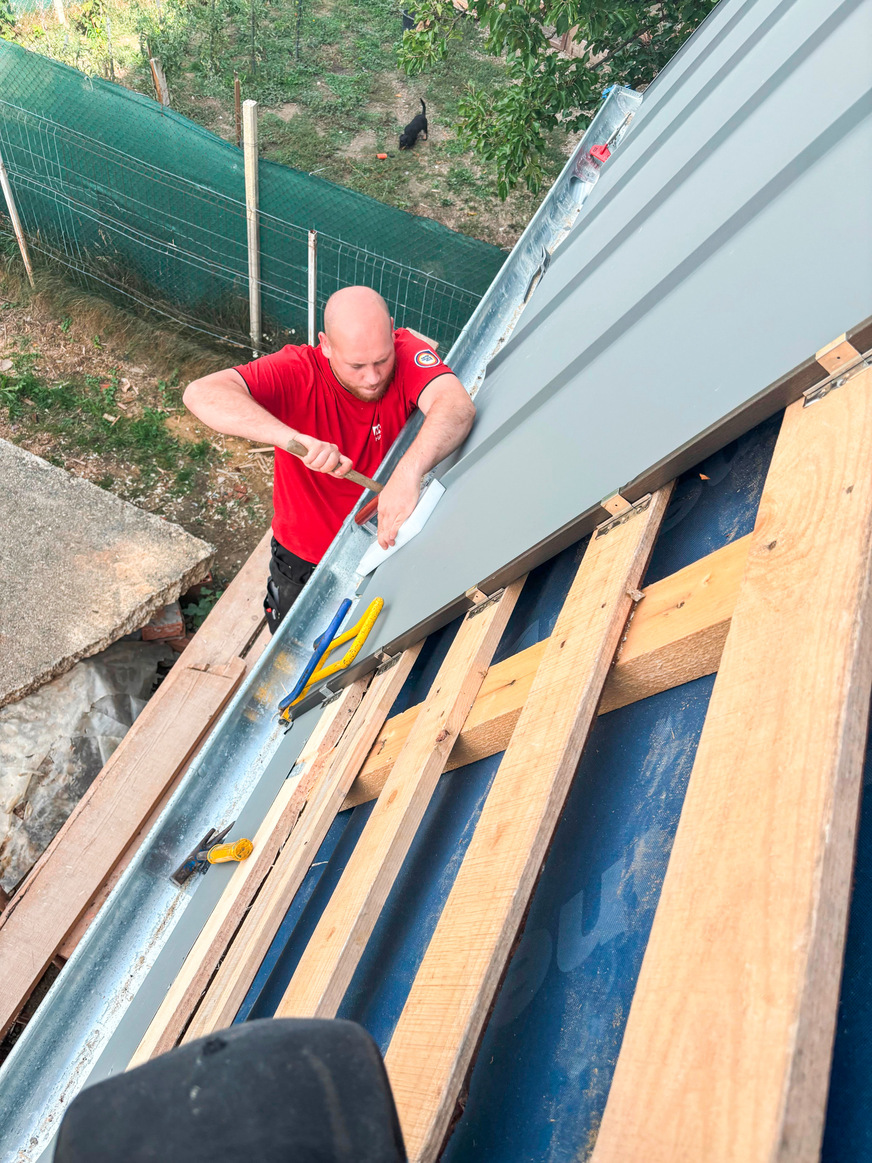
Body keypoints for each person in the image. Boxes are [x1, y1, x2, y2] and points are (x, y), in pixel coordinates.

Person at [183, 286, 475, 632]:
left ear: (392, 329)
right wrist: (292, 440)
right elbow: (200, 394)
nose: (373, 377)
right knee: (297, 645)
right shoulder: (297, 370)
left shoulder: (406, 352)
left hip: (385, 542)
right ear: (325, 344)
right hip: (304, 560)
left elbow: (456, 407)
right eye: (356, 366)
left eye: (382, 360)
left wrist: (407, 474)